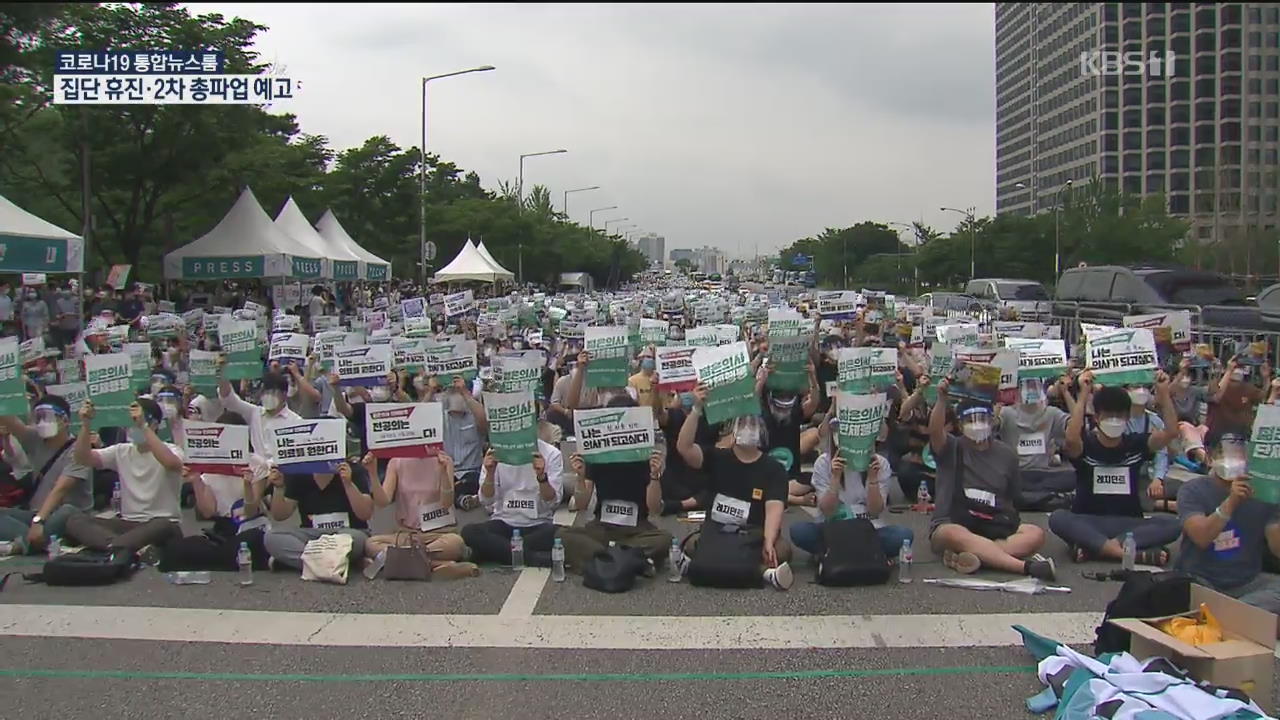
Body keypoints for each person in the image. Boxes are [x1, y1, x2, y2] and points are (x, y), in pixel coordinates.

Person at [927, 379, 1055, 580]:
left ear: (992, 421)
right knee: (953, 534)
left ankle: (977, 555)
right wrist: (942, 399)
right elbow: (935, 432)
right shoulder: (951, 449)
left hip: (994, 524)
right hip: (954, 522)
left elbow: (1012, 498)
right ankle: (1024, 567)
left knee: (1035, 534)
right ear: (960, 425)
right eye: (971, 420)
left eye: (982, 419)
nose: (977, 425)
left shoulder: (1007, 454)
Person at [1050, 372, 1182, 565]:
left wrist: (1163, 393)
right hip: (1088, 520)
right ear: (1097, 417)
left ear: (1127, 417)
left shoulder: (1136, 444)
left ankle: (1095, 548)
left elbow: (1171, 432)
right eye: (1108, 415)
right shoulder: (1085, 446)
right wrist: (1084, 393)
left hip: (1128, 524)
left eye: (1119, 416)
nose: (1114, 420)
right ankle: (1126, 553)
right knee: (1058, 518)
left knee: (1174, 524)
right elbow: (1071, 438)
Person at [675, 384, 793, 590]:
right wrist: (696, 409)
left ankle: (697, 566)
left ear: (762, 431)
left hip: (753, 533)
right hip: (718, 530)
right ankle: (762, 574)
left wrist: (768, 540)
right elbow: (684, 448)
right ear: (734, 430)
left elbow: (774, 508)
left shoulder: (774, 468)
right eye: (743, 423)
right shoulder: (717, 457)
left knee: (780, 550)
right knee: (693, 543)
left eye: (753, 424)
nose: (748, 428)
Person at [560, 397, 671, 573]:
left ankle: (604, 559)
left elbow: (654, 508)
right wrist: (580, 477)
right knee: (561, 535)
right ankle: (630, 560)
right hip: (602, 527)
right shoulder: (597, 456)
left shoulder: (645, 457)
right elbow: (580, 504)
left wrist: (654, 476)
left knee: (665, 540)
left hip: (637, 529)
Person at [64, 398, 184, 555]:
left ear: (155, 424)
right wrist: (86, 424)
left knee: (162, 525)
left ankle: (113, 547)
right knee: (75, 520)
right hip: (128, 524)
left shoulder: (172, 450)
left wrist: (144, 426)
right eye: (130, 422)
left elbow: (170, 463)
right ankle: (118, 547)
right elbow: (82, 458)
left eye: (136, 421)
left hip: (162, 523)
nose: (133, 427)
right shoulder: (121, 451)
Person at [1175, 436, 1280, 613]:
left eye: (1240, 455)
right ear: (1210, 458)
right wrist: (1231, 502)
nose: (1234, 461)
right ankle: (1238, 616)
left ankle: (1228, 615)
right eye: (1225, 454)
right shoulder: (1192, 490)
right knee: (1182, 592)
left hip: (1246, 583)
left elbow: (1276, 548)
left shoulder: (1263, 494)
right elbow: (1201, 536)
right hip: (1200, 580)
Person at [790, 416, 913, 560]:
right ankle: (862, 555)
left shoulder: (881, 464)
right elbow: (827, 510)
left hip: (869, 529)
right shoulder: (823, 463)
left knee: (902, 535)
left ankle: (835, 554)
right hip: (833, 529)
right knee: (800, 531)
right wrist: (835, 478)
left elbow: (876, 510)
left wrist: (872, 479)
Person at [362, 451, 478, 580]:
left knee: (455, 543)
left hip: (439, 533)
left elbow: (447, 502)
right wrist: (372, 473)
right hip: (408, 533)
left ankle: (392, 563)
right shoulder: (396, 462)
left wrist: (443, 472)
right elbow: (383, 502)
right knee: (371, 543)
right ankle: (436, 564)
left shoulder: (444, 460)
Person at [0, 395, 92, 554]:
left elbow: (60, 489)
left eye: (47, 417)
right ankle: (33, 541)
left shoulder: (78, 450)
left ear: (64, 421)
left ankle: (25, 543)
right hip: (37, 514)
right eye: (38, 418)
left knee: (68, 510)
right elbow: (10, 420)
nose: (42, 423)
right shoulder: (34, 440)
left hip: (67, 516)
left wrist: (39, 521)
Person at [460, 440, 564, 567]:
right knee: (469, 531)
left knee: (561, 534)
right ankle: (532, 558)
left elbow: (552, 502)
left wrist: (542, 477)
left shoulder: (552, 454)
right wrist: (490, 473)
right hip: (503, 523)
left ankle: (497, 551)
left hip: (538, 525)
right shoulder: (494, 453)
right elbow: (486, 500)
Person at [262, 458, 373, 571]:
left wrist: (348, 483)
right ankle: (343, 563)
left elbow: (365, 514)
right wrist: (279, 488)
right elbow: (280, 515)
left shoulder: (354, 470)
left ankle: (308, 564)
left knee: (356, 539)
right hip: (312, 538)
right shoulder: (299, 473)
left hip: (347, 533)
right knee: (272, 536)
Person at [996, 376, 1074, 507]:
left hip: (1044, 474)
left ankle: (1027, 498)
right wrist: (996, 400)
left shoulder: (1051, 413)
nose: (1031, 389)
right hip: (1017, 474)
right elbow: (991, 425)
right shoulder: (1007, 413)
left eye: (1034, 385)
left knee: (1073, 477)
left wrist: (1065, 392)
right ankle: (1044, 498)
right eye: (1027, 385)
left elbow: (1076, 425)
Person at [218, 363, 302, 464]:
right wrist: (223, 373)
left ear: (284, 394)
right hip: (255, 471)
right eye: (265, 392)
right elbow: (229, 400)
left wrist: (269, 466)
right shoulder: (255, 413)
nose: (268, 396)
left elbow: (293, 454)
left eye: (273, 393)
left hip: (280, 472)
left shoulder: (296, 421)